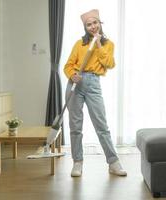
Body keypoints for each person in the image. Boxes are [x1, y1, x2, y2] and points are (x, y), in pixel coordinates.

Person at [64, 9, 127, 177]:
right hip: (75, 82)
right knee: (75, 127)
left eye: (95, 23)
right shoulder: (79, 44)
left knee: (101, 125)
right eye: (88, 24)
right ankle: (77, 162)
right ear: (85, 27)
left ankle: (113, 162)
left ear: (100, 23)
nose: (92, 26)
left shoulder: (108, 44)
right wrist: (72, 75)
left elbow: (109, 63)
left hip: (93, 82)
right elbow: (68, 65)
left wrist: (98, 44)